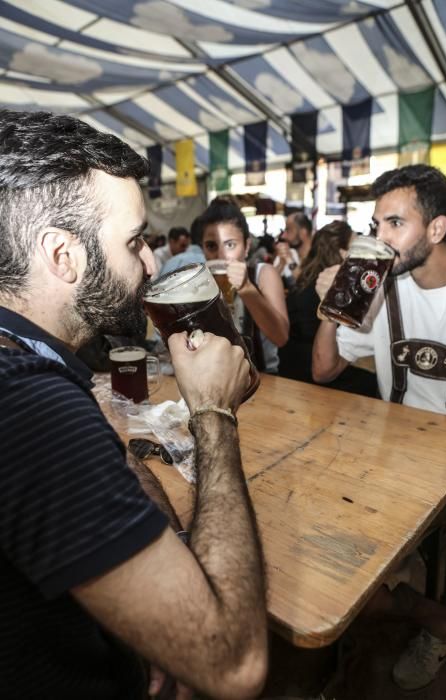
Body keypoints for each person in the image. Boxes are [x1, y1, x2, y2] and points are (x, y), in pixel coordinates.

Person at [0, 110, 268, 699]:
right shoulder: (29, 406)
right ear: (61, 255)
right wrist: (213, 414)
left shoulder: (24, 357)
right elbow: (233, 664)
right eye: (133, 241)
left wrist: (148, 629)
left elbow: (104, 465)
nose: (150, 263)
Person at [312, 164, 446, 692]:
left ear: (437, 229)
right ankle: (439, 621)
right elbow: (324, 369)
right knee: (327, 563)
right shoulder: (384, 294)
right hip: (395, 462)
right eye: (376, 225)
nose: (380, 239)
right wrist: (332, 309)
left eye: (394, 224)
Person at [278, 221, 377, 398]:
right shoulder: (342, 288)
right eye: (355, 246)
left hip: (289, 368)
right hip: (314, 378)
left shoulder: (306, 279)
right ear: (343, 252)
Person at [200, 197, 289, 374]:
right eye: (211, 246)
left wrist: (247, 288)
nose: (221, 255)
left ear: (247, 246)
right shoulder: (200, 281)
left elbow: (281, 337)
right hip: (218, 377)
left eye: (230, 245)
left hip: (263, 378)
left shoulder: (263, 274)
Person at [274, 212, 313, 287]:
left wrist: (289, 260)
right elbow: (269, 283)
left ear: (303, 233)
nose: (283, 236)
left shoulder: (319, 256)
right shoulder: (289, 253)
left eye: (288, 230)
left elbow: (306, 285)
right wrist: (281, 264)